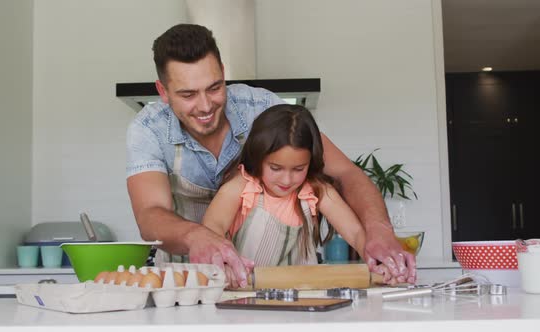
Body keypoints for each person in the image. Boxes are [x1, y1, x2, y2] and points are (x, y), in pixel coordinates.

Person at [126, 23, 416, 288]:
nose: (205, 106)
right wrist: (198, 237)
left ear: (224, 73)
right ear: (163, 91)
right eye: (188, 95)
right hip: (188, 282)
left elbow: (347, 174)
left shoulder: (264, 108)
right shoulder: (148, 129)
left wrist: (378, 232)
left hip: (279, 284)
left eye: (214, 88)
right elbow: (150, 214)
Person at [201, 104, 395, 288]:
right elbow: (212, 227)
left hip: (304, 298)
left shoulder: (317, 190)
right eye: (276, 168)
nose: (287, 179)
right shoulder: (242, 185)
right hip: (246, 296)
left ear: (311, 162)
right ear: (258, 158)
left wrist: (375, 261)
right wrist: (223, 260)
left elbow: (355, 233)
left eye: (298, 169)